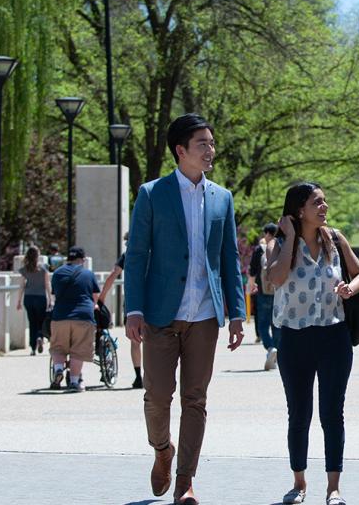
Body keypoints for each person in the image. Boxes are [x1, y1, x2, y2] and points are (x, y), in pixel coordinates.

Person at [124, 113, 247, 505]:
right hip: (161, 313)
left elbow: (229, 257)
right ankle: (162, 449)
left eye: (212, 143)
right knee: (157, 396)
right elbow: (137, 254)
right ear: (181, 150)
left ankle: (185, 482)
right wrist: (133, 310)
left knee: (196, 399)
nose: (210, 150)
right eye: (203, 144)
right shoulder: (151, 194)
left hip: (205, 314)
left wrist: (238, 313)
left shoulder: (222, 198)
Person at [265, 183, 359, 505]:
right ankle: (299, 483)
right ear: (299, 210)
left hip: (334, 336)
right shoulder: (278, 243)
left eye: (324, 201)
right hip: (294, 338)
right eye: (316, 202)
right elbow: (275, 279)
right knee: (300, 413)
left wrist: (350, 287)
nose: (324, 207)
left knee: (332, 413)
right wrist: (291, 237)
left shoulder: (335, 239)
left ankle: (333, 488)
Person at [48, 246, 100, 392]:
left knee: (58, 347)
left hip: (60, 316)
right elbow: (95, 297)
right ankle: (74, 381)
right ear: (82, 260)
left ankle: (58, 369)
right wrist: (94, 306)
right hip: (83, 316)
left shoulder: (57, 273)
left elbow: (55, 295)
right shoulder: (88, 274)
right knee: (78, 350)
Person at [99, 232, 143, 388]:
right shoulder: (154, 251)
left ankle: (139, 376)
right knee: (154, 340)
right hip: (153, 301)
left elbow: (113, 276)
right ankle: (152, 375)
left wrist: (102, 297)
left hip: (133, 302)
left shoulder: (127, 255)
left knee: (135, 340)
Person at [247, 223, 280, 370]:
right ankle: (278, 351)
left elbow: (253, 271)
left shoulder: (260, 250)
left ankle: (270, 347)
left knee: (262, 325)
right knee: (277, 325)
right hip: (279, 292)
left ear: (267, 234)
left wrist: (249, 287)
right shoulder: (282, 248)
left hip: (263, 292)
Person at [16, 246, 52, 355]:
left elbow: (21, 286)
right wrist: (50, 298)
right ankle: (40, 337)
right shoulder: (44, 268)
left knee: (32, 322)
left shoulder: (25, 269)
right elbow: (47, 284)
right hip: (41, 298)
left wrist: (18, 301)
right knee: (41, 321)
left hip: (29, 298)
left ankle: (32, 347)